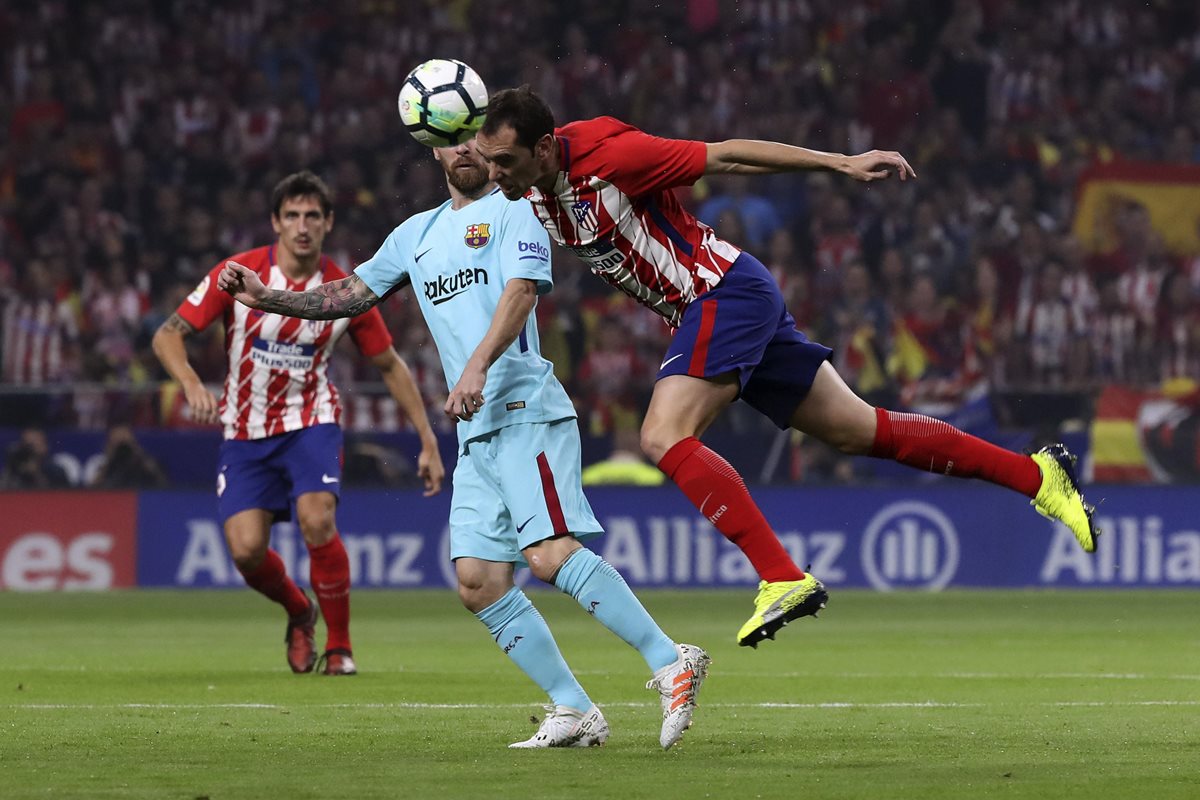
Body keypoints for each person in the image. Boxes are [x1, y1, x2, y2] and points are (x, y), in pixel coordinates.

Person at [473, 86, 1100, 648]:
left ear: (548, 148)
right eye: (490, 160)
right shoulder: (530, 184)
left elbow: (727, 156)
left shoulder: (613, 159)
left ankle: (781, 577)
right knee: (862, 430)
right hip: (727, 301)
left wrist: (837, 163)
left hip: (720, 293)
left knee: (662, 435)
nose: (498, 174)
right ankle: (1039, 476)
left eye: (507, 161)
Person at [217, 139, 709, 750]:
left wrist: (475, 366)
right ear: (434, 153)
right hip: (475, 430)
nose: (466, 151)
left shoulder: (518, 208)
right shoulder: (415, 234)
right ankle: (573, 707)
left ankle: (671, 661)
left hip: (527, 409)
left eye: (476, 138)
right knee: (477, 580)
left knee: (550, 554)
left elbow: (523, 291)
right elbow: (347, 294)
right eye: (451, 142)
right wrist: (267, 298)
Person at [152, 170, 445, 677]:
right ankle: (299, 610)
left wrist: (426, 438)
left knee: (317, 520)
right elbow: (168, 335)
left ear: (328, 222)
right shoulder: (236, 273)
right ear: (275, 222)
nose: (302, 225)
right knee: (245, 551)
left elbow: (390, 365)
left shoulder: (344, 291)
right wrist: (191, 382)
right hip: (244, 430)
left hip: (312, 421)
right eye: (292, 215)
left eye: (313, 215)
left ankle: (341, 647)